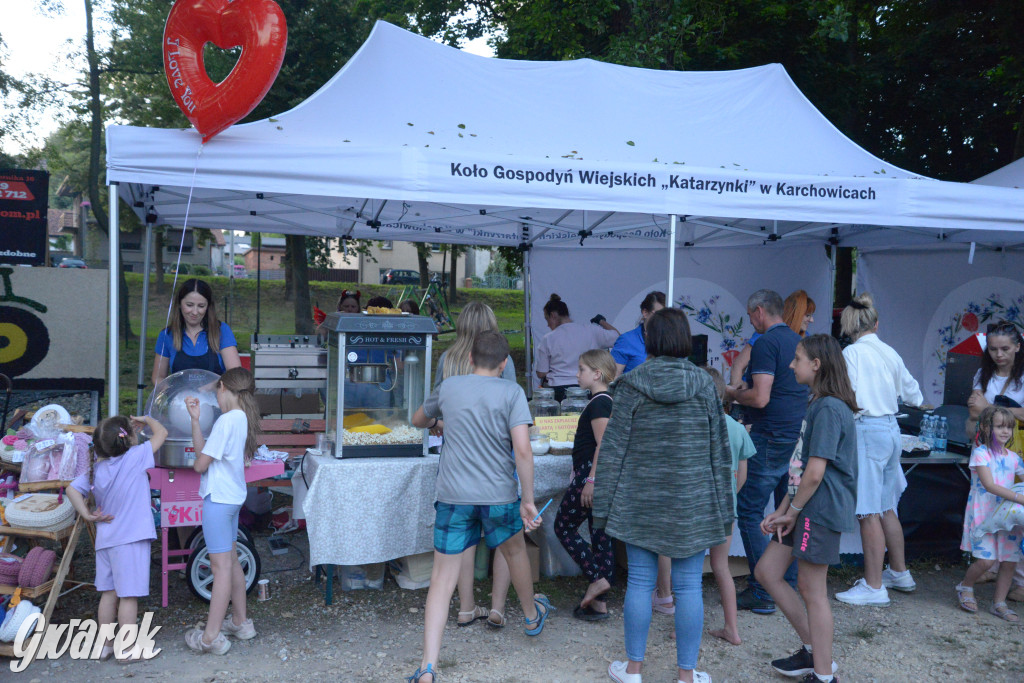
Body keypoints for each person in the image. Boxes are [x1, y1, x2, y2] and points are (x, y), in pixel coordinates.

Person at [593, 307, 731, 683]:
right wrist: (724, 509)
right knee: (688, 586)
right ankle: (687, 675)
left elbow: (613, 450)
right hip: (692, 500)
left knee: (640, 580)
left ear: (649, 340)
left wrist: (602, 508)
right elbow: (719, 451)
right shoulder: (705, 386)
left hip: (640, 499)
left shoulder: (631, 385)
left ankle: (634, 670)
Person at [408, 331, 554, 682]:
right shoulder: (512, 392)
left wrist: (437, 420)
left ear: (470, 357)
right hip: (499, 495)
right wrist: (529, 499)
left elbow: (417, 420)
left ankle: (428, 666)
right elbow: (522, 450)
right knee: (515, 553)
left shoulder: (450, 386)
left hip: (453, 495)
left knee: (442, 579)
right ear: (504, 364)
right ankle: (532, 616)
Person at [756, 334, 858, 683]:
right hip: (803, 506)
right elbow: (800, 468)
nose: (790, 364)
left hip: (820, 509)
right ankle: (814, 651)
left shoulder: (830, 407)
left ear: (816, 365)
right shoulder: (819, 402)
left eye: (797, 358)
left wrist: (793, 510)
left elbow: (816, 472)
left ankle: (824, 675)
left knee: (812, 589)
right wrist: (784, 507)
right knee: (767, 572)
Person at [833, 293, 923, 606]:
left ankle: (873, 586)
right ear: (876, 323)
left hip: (868, 430)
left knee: (868, 510)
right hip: (892, 428)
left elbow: (849, 396)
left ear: (848, 326)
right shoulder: (890, 352)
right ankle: (898, 572)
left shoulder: (852, 354)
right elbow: (914, 393)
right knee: (886, 506)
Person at [431, 301, 516, 629]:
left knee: (462, 537)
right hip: (495, 462)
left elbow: (435, 412)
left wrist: (441, 423)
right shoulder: (500, 360)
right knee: (506, 538)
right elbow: (512, 410)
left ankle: (466, 607)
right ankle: (496, 608)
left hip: (456, 463)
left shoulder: (447, 359)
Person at [726, 290, 809, 614]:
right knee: (784, 513)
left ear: (759, 311)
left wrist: (733, 394)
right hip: (793, 436)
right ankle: (783, 584)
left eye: (750, 316)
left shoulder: (765, 343)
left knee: (748, 509)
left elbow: (760, 398)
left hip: (770, 436)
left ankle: (762, 590)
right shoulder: (797, 340)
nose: (750, 322)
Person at [66, 414, 167, 663]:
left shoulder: (95, 469)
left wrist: (88, 515)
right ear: (128, 439)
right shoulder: (136, 457)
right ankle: (127, 648)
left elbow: (70, 489)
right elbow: (162, 433)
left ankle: (106, 645)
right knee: (128, 596)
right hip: (131, 540)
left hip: (106, 540)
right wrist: (147, 419)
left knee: (108, 594)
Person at [183, 367, 262, 654]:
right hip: (232, 499)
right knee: (230, 558)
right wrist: (195, 421)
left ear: (224, 389)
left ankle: (210, 636)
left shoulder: (226, 421)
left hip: (217, 501)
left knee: (220, 568)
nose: (216, 394)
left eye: (217, 389)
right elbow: (208, 455)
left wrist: (198, 430)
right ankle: (241, 622)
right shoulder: (241, 418)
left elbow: (200, 465)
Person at [556, 349, 616, 621]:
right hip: (596, 476)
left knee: (563, 526)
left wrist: (590, 479)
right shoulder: (603, 401)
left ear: (597, 373)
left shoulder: (600, 402)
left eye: (581, 369)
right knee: (599, 535)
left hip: (590, 476)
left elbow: (603, 444)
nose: (576, 374)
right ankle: (599, 605)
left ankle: (596, 577)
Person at [967, 321, 1024, 599]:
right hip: (988, 450)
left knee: (1018, 515)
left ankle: (1021, 581)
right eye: (992, 349)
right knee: (992, 506)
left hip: (1018, 452)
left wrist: (988, 409)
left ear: (1018, 347)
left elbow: (982, 409)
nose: (999, 355)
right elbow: (973, 413)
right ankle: (991, 564)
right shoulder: (982, 374)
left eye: (1004, 348)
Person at [955, 405, 1024, 622]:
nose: (1005, 432)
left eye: (1009, 427)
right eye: (999, 427)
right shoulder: (980, 453)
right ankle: (965, 586)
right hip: (984, 515)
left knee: (1009, 560)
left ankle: (999, 603)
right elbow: (989, 485)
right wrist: (1019, 498)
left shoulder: (1014, 457)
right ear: (985, 427)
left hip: (1008, 518)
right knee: (986, 561)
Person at [703, 367, 755, 646]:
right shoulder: (736, 428)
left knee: (687, 571)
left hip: (697, 509)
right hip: (725, 508)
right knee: (721, 567)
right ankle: (732, 628)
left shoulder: (696, 427)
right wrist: (730, 497)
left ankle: (684, 626)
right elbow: (742, 474)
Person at [152, 279, 241, 386]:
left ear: (208, 307)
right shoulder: (167, 335)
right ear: (179, 304)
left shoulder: (222, 330)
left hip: (216, 399)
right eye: (189, 305)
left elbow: (235, 374)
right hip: (181, 401)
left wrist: (206, 390)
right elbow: (158, 377)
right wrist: (175, 394)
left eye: (201, 306)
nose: (195, 312)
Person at [536, 293, 619, 401]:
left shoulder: (548, 338)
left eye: (547, 320)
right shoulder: (591, 330)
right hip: (589, 387)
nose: (548, 325)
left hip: (559, 390)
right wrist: (601, 321)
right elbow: (619, 338)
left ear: (553, 315)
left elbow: (542, 372)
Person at [729, 290, 815, 390]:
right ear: (795, 314)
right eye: (808, 315)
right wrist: (737, 398)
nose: (812, 320)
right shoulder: (764, 335)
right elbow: (738, 366)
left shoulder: (807, 338)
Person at [611, 291, 666, 376]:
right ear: (645, 313)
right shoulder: (627, 340)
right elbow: (611, 379)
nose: (664, 319)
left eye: (667, 315)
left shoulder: (672, 341)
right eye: (659, 314)